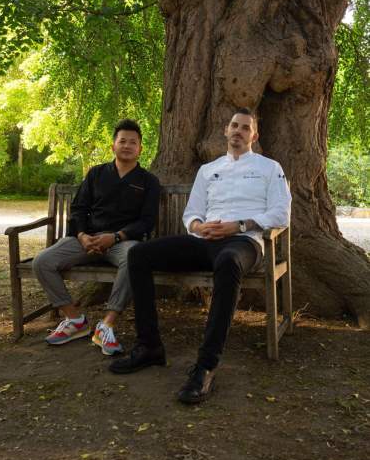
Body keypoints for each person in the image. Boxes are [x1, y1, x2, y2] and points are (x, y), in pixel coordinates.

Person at [109, 108, 291, 404]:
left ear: (254, 136)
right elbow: (191, 213)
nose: (238, 131)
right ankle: (149, 347)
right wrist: (197, 226)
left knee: (228, 262)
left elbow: (281, 213)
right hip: (203, 240)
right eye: (234, 125)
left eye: (245, 128)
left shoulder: (270, 168)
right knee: (140, 254)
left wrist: (239, 225)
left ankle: (206, 365)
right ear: (225, 130)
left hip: (243, 242)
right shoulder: (209, 170)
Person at [32, 119, 160, 354]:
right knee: (42, 262)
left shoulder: (149, 181)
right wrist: (81, 236)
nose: (127, 145)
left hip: (122, 242)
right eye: (122, 141)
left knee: (135, 258)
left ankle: (106, 325)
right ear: (113, 146)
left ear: (140, 148)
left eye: (133, 142)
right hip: (87, 239)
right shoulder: (96, 174)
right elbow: (79, 209)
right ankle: (75, 320)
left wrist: (117, 237)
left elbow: (147, 221)